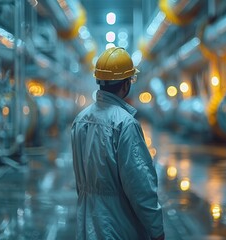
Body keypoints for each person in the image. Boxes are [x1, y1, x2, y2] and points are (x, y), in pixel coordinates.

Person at [71, 47, 165, 240]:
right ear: (125, 85)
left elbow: (80, 182)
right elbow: (141, 186)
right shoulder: (124, 123)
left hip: (87, 225)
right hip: (120, 228)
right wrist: (156, 230)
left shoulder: (80, 120)